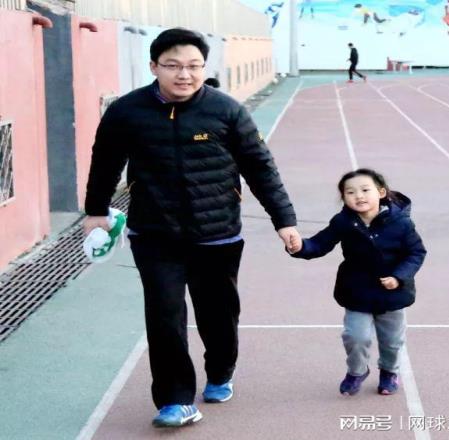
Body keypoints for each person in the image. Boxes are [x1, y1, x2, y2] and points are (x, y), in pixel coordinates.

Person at [83, 28, 300, 427]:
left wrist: (283, 219)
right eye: (173, 66)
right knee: (164, 316)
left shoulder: (227, 110)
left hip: (217, 234)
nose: (184, 74)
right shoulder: (126, 112)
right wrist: (95, 210)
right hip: (154, 234)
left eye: (194, 66)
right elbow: (105, 160)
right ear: (154, 67)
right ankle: (175, 400)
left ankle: (220, 371)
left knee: (218, 316)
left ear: (204, 67)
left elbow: (259, 166)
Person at [288, 169, 426, 396]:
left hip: (392, 294)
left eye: (365, 190)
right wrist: (299, 247)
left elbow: (416, 252)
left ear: (381, 192)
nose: (358, 196)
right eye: (350, 192)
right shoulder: (343, 222)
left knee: (392, 341)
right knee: (355, 337)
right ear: (344, 198)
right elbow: (320, 244)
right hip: (357, 291)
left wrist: (399, 277)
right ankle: (357, 371)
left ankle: (389, 372)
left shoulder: (401, 223)